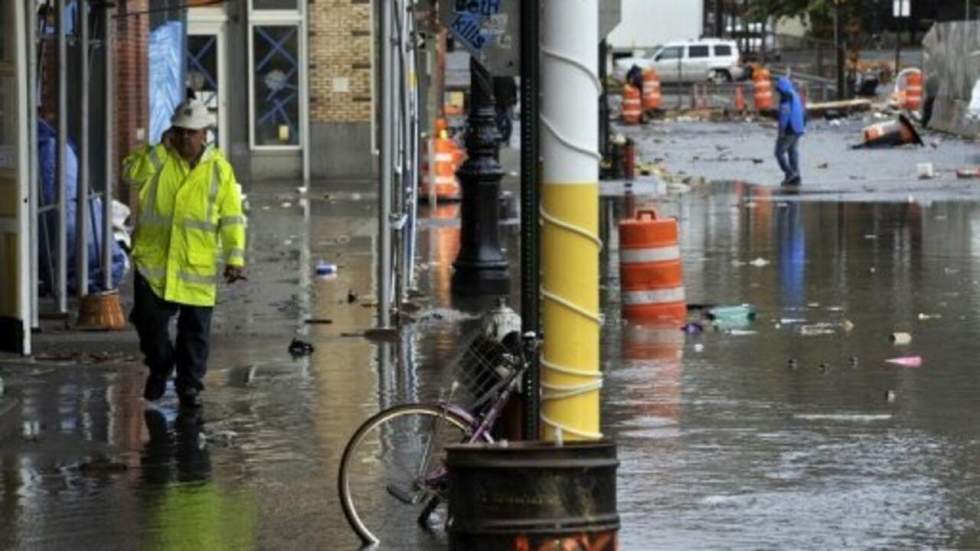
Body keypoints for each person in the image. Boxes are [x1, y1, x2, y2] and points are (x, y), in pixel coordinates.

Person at [123, 99, 246, 408]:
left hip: (195, 265)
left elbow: (232, 217)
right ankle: (161, 366)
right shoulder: (158, 160)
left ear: (205, 135)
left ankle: (189, 387)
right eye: (179, 132)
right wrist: (158, 150)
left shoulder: (219, 170)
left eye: (191, 133)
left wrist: (234, 258)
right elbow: (131, 175)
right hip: (154, 263)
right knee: (149, 324)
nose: (184, 139)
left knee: (195, 334)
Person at [775, 76, 806, 186]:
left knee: (779, 153)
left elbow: (784, 114)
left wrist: (781, 131)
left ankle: (790, 173)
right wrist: (803, 125)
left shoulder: (785, 97)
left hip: (789, 128)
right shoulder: (794, 94)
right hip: (798, 127)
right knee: (793, 152)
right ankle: (796, 175)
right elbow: (803, 111)